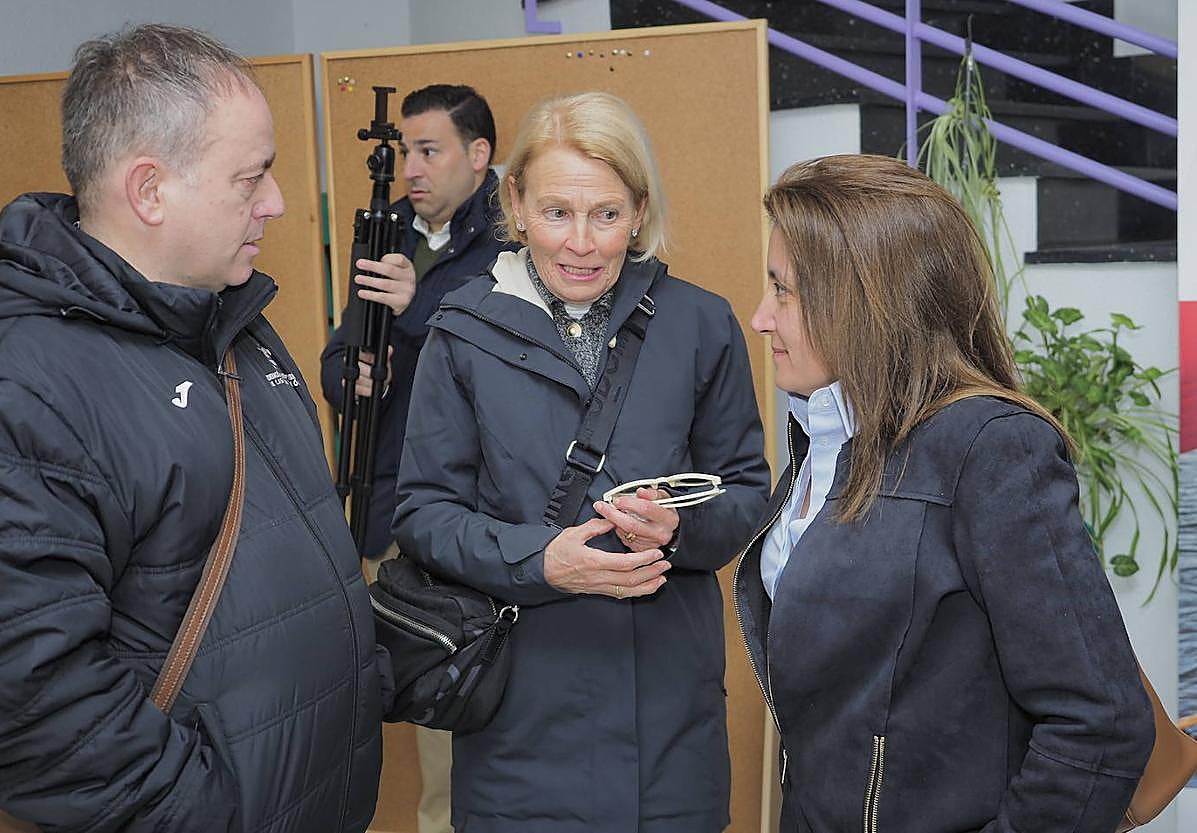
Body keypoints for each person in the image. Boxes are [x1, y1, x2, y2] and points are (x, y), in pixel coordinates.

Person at [0, 25, 386, 832]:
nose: (275, 201)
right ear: (149, 190)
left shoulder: (237, 324)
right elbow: (36, 703)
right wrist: (210, 811)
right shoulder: (29, 383)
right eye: (251, 177)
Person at [737, 154, 1155, 832]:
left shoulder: (990, 447)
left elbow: (1101, 722)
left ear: (865, 300)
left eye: (783, 291)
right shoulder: (826, 433)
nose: (760, 317)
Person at [392, 91, 771, 833]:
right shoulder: (462, 330)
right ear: (516, 203)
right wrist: (539, 559)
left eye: (606, 214)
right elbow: (424, 513)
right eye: (557, 212)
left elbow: (745, 492)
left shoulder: (701, 323)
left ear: (639, 210)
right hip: (520, 726)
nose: (582, 243)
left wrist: (677, 529)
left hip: (669, 728)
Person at [319, 82, 509, 833]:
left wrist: (415, 310)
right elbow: (342, 348)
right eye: (407, 152)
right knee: (373, 697)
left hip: (468, 510)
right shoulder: (385, 227)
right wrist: (353, 375)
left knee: (454, 710)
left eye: (430, 151)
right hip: (381, 497)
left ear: (479, 154)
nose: (413, 170)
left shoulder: (515, 232)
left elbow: (503, 362)